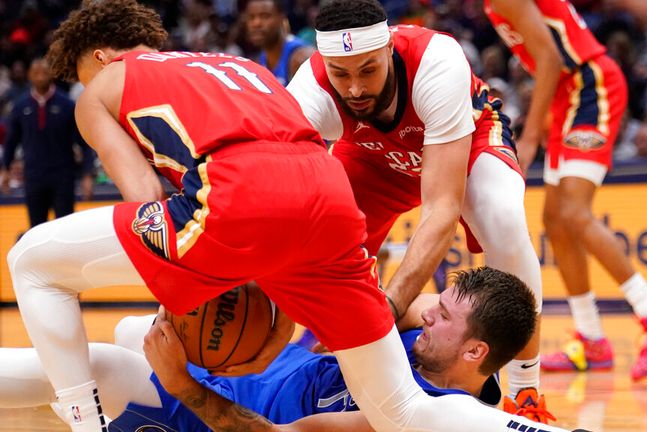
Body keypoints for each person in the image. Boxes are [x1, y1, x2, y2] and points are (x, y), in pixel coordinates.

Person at [6, 1, 573, 431]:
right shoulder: (232, 65)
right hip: (327, 194)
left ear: (102, 57)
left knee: (31, 261)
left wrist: (180, 292)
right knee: (402, 408)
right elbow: (286, 216)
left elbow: (144, 199)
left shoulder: (102, 85)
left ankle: (83, 425)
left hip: (245, 194)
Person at [285, 0, 550, 421]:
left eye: (368, 70)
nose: (354, 89)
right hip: (372, 155)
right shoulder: (306, 92)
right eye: (341, 74)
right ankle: (324, 360)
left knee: (502, 218)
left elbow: (441, 208)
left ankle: (525, 392)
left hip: (466, 142)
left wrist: (387, 310)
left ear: (389, 48)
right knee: (305, 236)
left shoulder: (436, 60)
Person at [0, 268, 581, 432]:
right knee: (132, 327)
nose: (429, 311)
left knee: (97, 367)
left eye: (445, 314)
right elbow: (379, 291)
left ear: (476, 352)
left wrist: (181, 384)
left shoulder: (417, 417)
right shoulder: (440, 344)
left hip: (229, 407)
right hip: (275, 364)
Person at [484, 0, 647, 381]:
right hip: (567, 96)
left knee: (575, 213)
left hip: (590, 86)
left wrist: (529, 138)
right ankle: (592, 338)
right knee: (556, 221)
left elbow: (549, 59)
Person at [1, 57, 94, 229]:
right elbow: (11, 141)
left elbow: (83, 141)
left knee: (65, 227)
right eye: (36, 73)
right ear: (30, 75)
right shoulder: (21, 106)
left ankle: (66, 257)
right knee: (36, 228)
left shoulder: (67, 104)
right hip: (33, 175)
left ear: (52, 74)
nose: (40, 77)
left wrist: (87, 175)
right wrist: (5, 170)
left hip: (63, 175)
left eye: (44, 72)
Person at [243, 0, 315, 85]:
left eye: (265, 16)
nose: (256, 23)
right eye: (251, 17)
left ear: (282, 18)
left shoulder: (301, 58)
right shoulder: (258, 62)